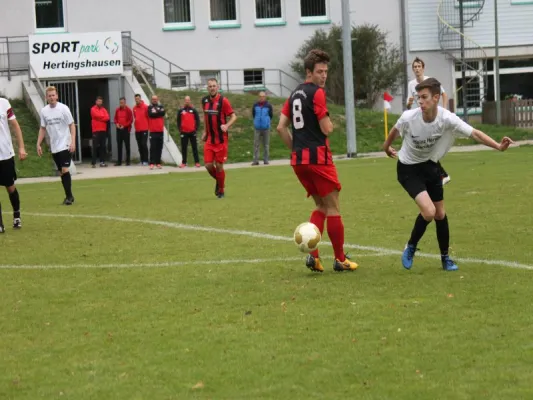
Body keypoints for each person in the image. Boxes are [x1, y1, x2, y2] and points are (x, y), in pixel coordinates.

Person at [382, 78, 513, 272]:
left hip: (431, 166)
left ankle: (445, 258)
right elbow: (394, 131)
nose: (420, 101)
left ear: (436, 98)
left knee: (440, 214)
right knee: (429, 212)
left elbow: (474, 133)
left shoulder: (447, 118)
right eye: (419, 97)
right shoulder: (409, 117)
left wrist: (498, 147)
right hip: (408, 168)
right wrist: (386, 148)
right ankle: (410, 247)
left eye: (424, 97)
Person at [277, 49, 358, 273]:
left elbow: (281, 127)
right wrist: (330, 124)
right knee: (333, 207)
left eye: (325, 71)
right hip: (319, 159)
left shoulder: (293, 94)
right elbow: (326, 128)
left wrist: (296, 149)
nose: (323, 76)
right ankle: (340, 259)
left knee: (320, 206)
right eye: (319, 72)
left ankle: (314, 257)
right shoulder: (317, 93)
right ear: (308, 72)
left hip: (299, 162)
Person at [407, 57, 451, 185]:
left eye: (419, 66)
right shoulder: (411, 85)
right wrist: (409, 104)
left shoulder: (430, 81)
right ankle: (440, 175)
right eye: (414, 67)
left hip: (432, 118)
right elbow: (409, 106)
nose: (417, 69)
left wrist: (443, 109)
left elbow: (444, 94)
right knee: (422, 148)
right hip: (420, 120)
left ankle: (441, 175)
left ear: (423, 68)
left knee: (426, 148)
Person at [37, 86, 76, 205]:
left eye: (53, 95)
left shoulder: (64, 108)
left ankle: (69, 197)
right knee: (61, 172)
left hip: (65, 143)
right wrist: (38, 143)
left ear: (57, 96)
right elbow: (43, 128)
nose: (52, 97)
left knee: (64, 169)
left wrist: (73, 141)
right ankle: (69, 196)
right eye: (49, 96)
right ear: (46, 97)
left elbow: (72, 125)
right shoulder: (44, 111)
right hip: (55, 146)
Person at [201, 78, 237, 198]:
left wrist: (226, 125)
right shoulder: (204, 100)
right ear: (207, 88)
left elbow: (233, 116)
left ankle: (221, 190)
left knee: (219, 166)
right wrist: (205, 132)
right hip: (210, 140)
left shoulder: (223, 101)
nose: (212, 88)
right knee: (208, 165)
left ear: (218, 87)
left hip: (221, 140)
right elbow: (206, 118)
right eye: (210, 86)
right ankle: (220, 181)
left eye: (214, 86)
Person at [0, 97, 27, 232]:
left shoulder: (4, 103)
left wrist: (21, 147)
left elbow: (15, 125)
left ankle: (16, 215)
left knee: (10, 187)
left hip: (5, 154)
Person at [177, 96, 201, 168]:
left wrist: (195, 129)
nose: (187, 101)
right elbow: (178, 121)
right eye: (186, 100)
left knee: (194, 147)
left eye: (188, 100)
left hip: (192, 132)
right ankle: (184, 162)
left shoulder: (193, 110)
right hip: (184, 132)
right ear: (184, 101)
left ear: (190, 101)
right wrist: (180, 129)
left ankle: (197, 162)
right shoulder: (181, 110)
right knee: (184, 148)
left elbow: (198, 120)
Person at [252, 91, 273, 166]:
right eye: (260, 96)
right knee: (256, 145)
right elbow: (253, 114)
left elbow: (271, 115)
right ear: (258, 97)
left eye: (263, 96)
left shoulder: (269, 106)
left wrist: (266, 122)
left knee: (266, 145)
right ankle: (255, 160)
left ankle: (266, 160)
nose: (262, 98)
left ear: (265, 97)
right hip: (257, 128)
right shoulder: (255, 105)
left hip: (266, 128)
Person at [90, 96, 110, 168]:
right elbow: (96, 116)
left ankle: (102, 162)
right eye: (98, 101)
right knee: (95, 147)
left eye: (100, 101)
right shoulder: (92, 109)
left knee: (103, 147)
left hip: (103, 130)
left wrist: (100, 118)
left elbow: (107, 117)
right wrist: (102, 118)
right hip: (96, 130)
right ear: (96, 102)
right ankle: (93, 163)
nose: (99, 102)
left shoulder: (104, 109)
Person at [113, 97, 133, 166]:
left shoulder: (129, 110)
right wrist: (117, 123)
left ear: (125, 102)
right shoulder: (117, 110)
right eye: (120, 102)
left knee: (127, 145)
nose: (121, 104)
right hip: (118, 129)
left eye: (122, 102)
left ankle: (128, 161)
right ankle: (119, 161)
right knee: (119, 145)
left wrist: (124, 125)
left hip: (126, 129)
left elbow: (130, 120)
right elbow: (115, 119)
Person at [147, 95, 166, 170]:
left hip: (160, 131)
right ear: (151, 100)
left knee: (159, 147)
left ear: (157, 99)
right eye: (153, 99)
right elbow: (151, 115)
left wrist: (156, 113)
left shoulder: (161, 106)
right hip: (153, 131)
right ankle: (152, 163)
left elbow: (163, 113)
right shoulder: (149, 107)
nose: (154, 100)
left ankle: (158, 163)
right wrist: (158, 113)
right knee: (152, 148)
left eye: (156, 99)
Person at [133, 94, 149, 166]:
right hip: (137, 130)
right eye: (136, 99)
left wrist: (149, 127)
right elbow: (135, 117)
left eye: (138, 98)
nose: (137, 100)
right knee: (139, 145)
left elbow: (148, 117)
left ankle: (146, 160)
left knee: (143, 144)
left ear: (140, 99)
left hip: (144, 129)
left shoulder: (145, 107)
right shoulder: (134, 108)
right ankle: (142, 160)